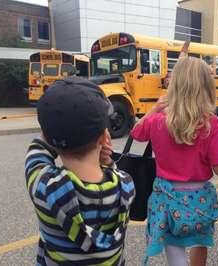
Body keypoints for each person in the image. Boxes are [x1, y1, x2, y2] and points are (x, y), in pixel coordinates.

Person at [131, 57, 218, 266]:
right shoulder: (211, 123)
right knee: (200, 242)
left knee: (174, 248)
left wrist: (155, 109)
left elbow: (136, 133)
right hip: (199, 198)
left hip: (165, 196)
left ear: (174, 85)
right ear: (207, 87)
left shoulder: (158, 121)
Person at [25, 77, 135, 265]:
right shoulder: (126, 186)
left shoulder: (44, 187)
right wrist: (107, 162)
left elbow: (36, 154)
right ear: (104, 137)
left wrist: (53, 131)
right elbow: (113, 173)